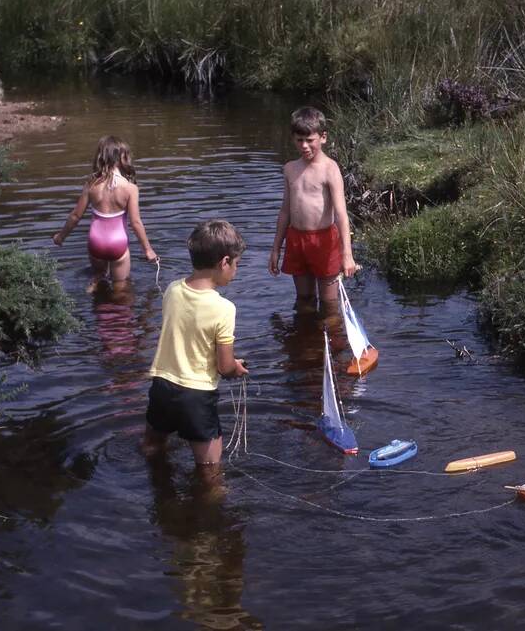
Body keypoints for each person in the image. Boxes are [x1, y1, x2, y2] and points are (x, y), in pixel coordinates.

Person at [142, 220, 249, 469]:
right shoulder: (224, 308)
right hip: (196, 396)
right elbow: (224, 367)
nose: (236, 271)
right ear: (224, 262)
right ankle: (208, 506)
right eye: (236, 265)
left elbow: (186, 334)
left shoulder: (172, 290)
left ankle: (158, 490)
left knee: (152, 446)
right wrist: (236, 368)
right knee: (210, 469)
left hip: (162, 386)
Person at [268, 107, 357, 305]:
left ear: (323, 137)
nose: (304, 146)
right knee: (304, 299)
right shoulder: (290, 168)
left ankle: (332, 334)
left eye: (310, 140)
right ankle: (306, 335)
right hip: (296, 240)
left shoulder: (329, 169)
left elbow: (341, 214)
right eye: (300, 140)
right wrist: (276, 249)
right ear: (293, 139)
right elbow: (285, 212)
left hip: (324, 240)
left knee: (329, 303)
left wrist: (347, 254)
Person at [52, 135, 157, 290]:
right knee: (121, 286)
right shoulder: (130, 188)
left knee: (99, 275)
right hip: (117, 243)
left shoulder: (91, 185)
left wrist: (61, 236)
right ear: (123, 157)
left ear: (100, 157)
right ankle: (118, 305)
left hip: (96, 241)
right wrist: (148, 250)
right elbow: (135, 222)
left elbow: (75, 216)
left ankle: (93, 290)